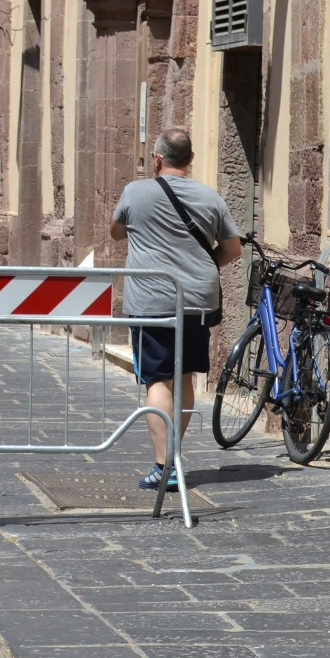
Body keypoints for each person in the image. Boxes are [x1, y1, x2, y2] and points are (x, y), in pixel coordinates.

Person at [110, 127, 244, 491]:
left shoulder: (135, 192)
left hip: (151, 300)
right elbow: (233, 249)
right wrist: (200, 266)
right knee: (183, 377)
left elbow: (116, 231)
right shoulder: (210, 197)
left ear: (157, 158)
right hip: (196, 300)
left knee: (157, 379)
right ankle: (174, 454)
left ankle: (164, 465)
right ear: (191, 160)